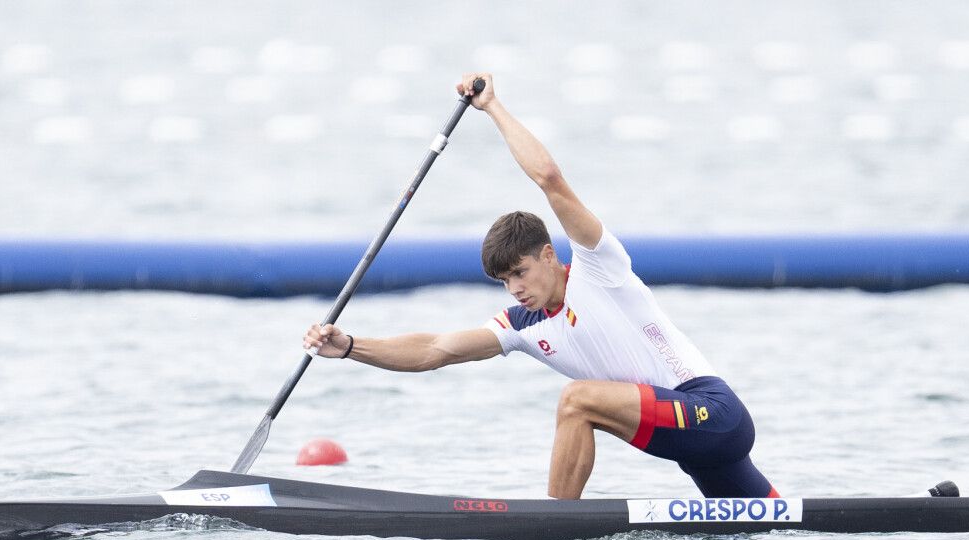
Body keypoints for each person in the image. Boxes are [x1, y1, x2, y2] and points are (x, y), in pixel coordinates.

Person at [303, 73, 778, 500]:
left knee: (577, 399)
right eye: (504, 280)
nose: (514, 289)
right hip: (696, 449)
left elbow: (550, 179)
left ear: (549, 255)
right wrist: (350, 347)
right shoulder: (522, 324)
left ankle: (554, 525)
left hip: (711, 413)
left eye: (520, 272)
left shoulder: (599, 268)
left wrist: (492, 108)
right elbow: (434, 349)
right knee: (775, 524)